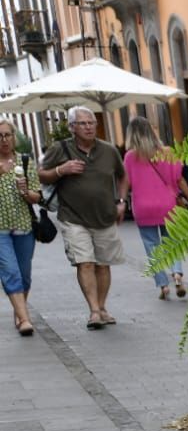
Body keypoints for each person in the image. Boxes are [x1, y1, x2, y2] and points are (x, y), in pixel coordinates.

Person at [40, 105, 126, 330]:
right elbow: (40, 174)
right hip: (73, 217)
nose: (89, 127)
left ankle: (103, 306)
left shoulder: (109, 150)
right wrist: (61, 170)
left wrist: (121, 202)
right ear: (71, 127)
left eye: (91, 123)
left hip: (105, 217)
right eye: (83, 123)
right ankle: (94, 311)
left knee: (103, 265)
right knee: (85, 263)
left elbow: (123, 176)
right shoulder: (60, 149)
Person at [122, 115, 188, 301]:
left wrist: (121, 202)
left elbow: (126, 183)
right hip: (168, 205)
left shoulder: (130, 157)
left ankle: (163, 285)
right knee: (173, 241)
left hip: (143, 207)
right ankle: (177, 274)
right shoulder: (168, 152)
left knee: (151, 246)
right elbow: (180, 179)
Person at [0, 118, 42, 335]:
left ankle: (19, 311)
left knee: (24, 275)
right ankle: (25, 319)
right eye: (0, 136)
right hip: (0, 231)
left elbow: (37, 197)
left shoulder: (25, 162)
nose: (4, 140)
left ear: (14, 138)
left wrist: (26, 191)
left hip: (24, 227)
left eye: (8, 135)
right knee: (10, 271)